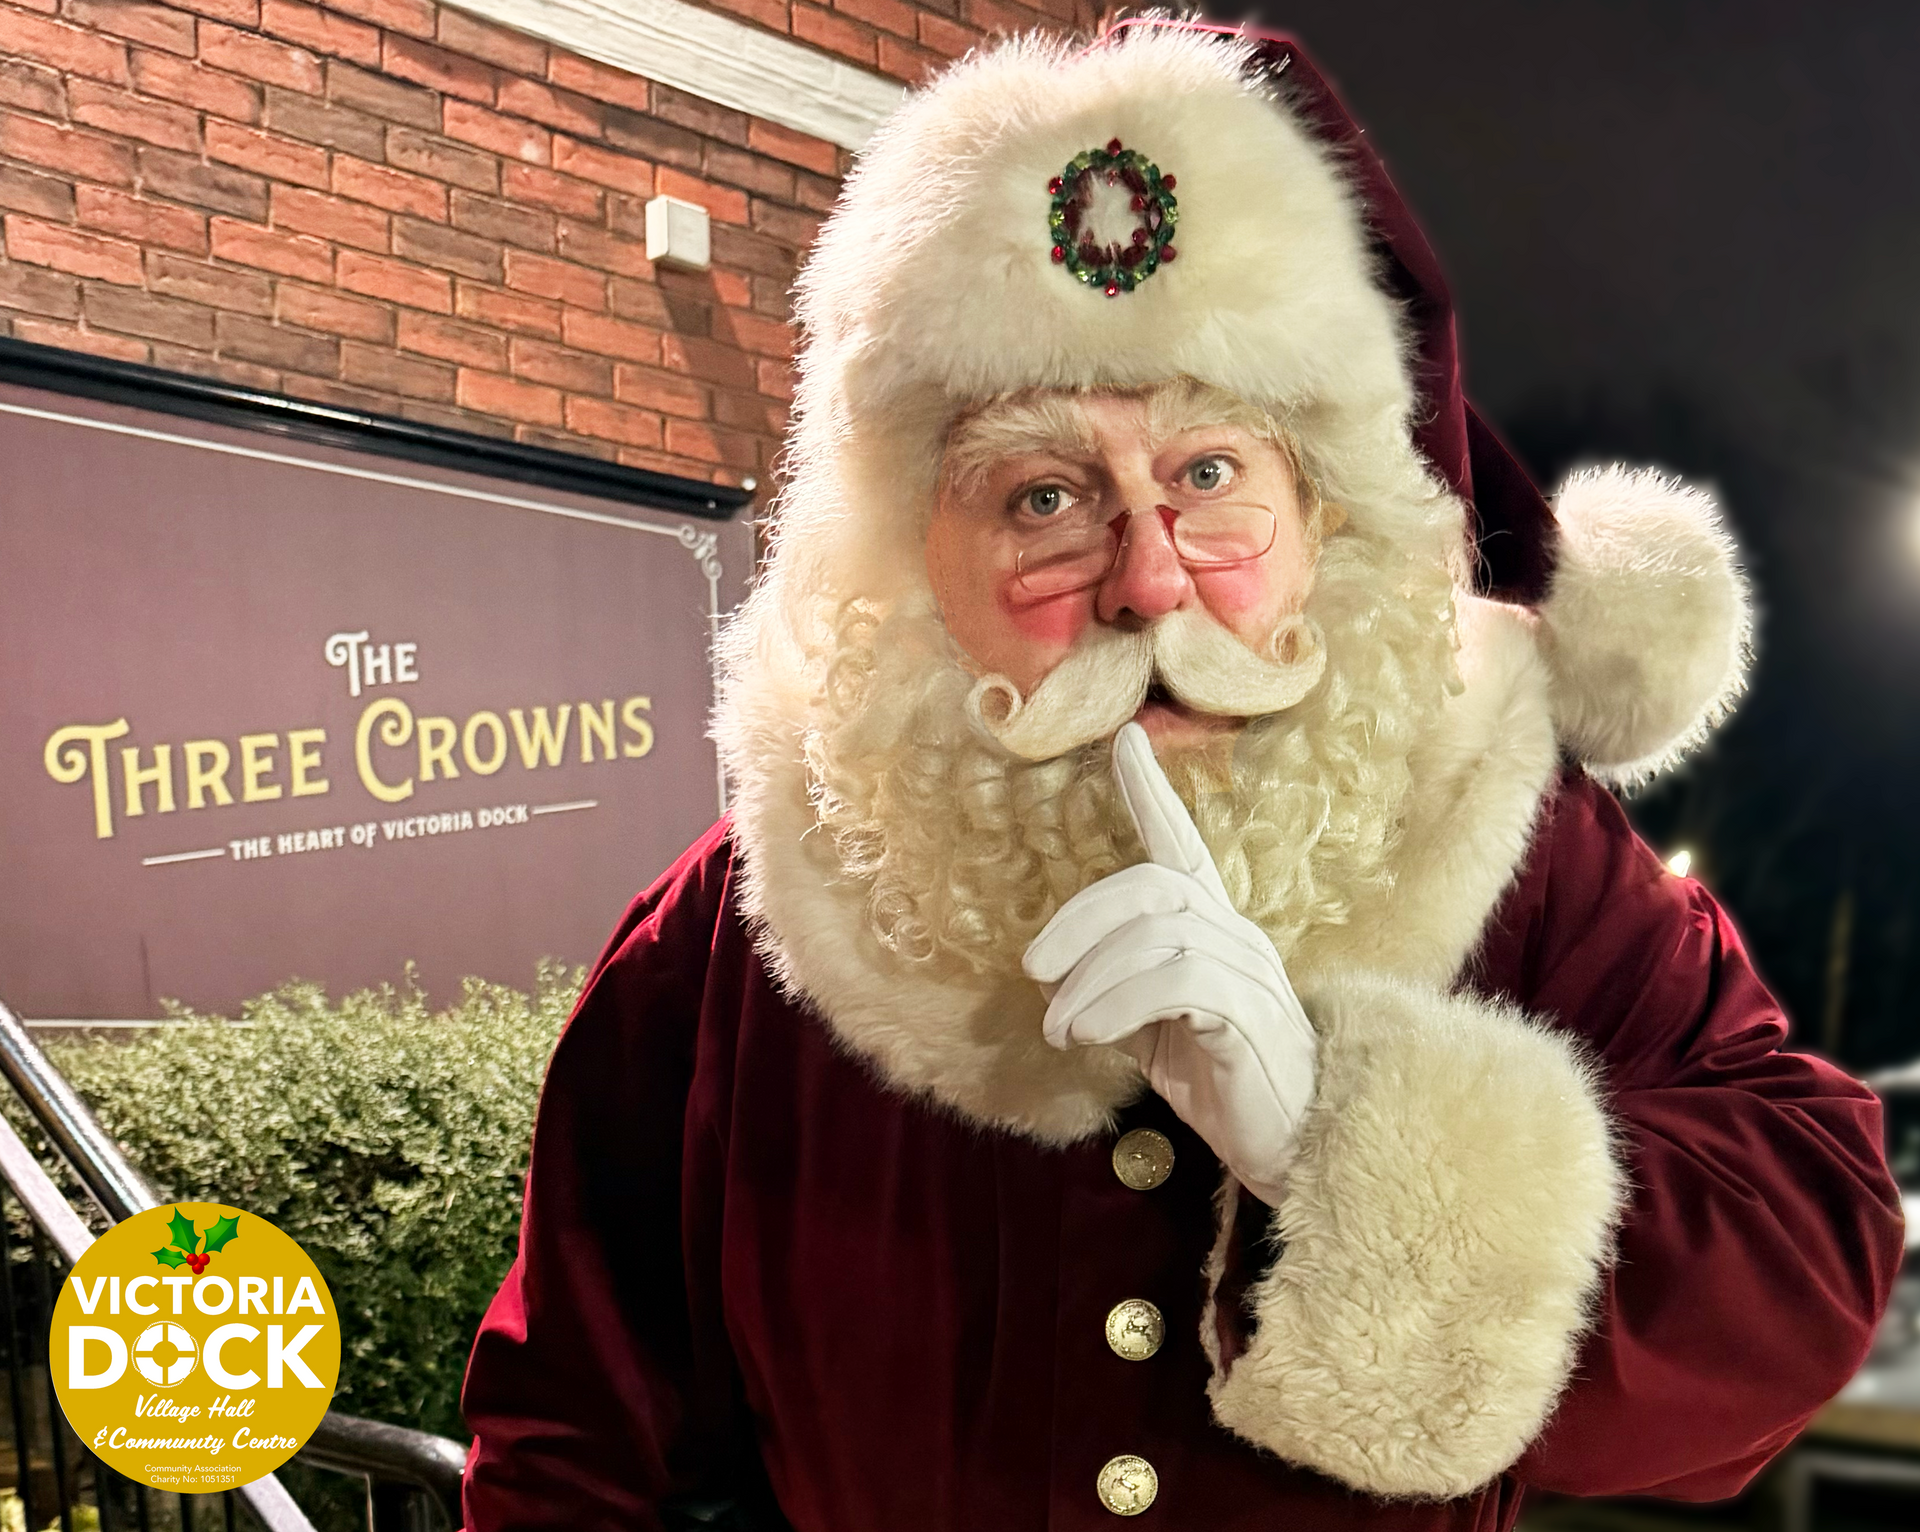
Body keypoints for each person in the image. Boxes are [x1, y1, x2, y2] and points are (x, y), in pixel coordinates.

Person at [460, 21, 1904, 1530]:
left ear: (1323, 518)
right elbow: (574, 1450)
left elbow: (1806, 1249)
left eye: (1210, 476)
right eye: (1043, 496)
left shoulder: (1505, 839)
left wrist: (1340, 1143)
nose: (1149, 582)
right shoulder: (734, 936)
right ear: (906, 561)